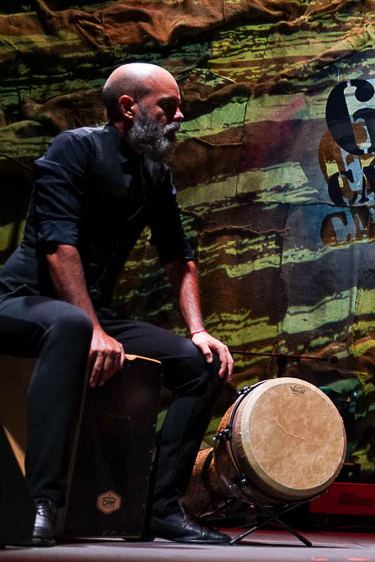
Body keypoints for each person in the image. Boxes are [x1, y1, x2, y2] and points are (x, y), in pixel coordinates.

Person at [0, 63, 234, 546]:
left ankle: (162, 510)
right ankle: (41, 503)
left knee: (200, 365)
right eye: (168, 106)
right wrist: (93, 328)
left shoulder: (154, 172)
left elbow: (179, 257)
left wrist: (198, 331)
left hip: (88, 312)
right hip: (22, 300)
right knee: (69, 324)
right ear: (129, 107)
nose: (179, 116)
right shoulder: (75, 148)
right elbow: (57, 246)